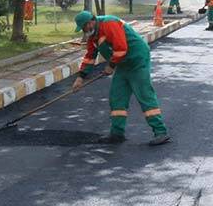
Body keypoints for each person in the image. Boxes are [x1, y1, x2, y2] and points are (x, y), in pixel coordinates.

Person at [72, 10, 170, 146]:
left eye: (84, 27)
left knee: (144, 95)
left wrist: (111, 66)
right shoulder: (93, 35)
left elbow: (121, 48)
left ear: (91, 22)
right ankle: (117, 134)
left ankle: (161, 132)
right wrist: (80, 77)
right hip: (122, 64)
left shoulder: (109, 23)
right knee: (117, 97)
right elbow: (90, 57)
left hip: (137, 60)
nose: (84, 30)